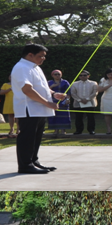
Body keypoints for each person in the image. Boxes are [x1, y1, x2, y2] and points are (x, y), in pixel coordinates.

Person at [11, 44, 66, 174]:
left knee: (36, 136)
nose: (43, 59)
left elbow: (41, 86)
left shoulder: (35, 67)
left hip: (39, 108)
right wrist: (48, 102)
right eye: (40, 56)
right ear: (30, 54)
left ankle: (33, 161)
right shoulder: (22, 67)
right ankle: (25, 165)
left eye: (44, 56)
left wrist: (53, 94)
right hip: (29, 108)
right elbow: (27, 90)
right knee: (27, 137)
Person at [70, 71, 98, 135]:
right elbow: (73, 93)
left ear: (88, 76)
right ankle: (79, 130)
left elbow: (95, 92)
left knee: (91, 117)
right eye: (81, 75)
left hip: (90, 102)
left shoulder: (93, 83)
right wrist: (80, 100)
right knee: (78, 118)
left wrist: (87, 99)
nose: (82, 76)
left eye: (84, 75)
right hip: (78, 103)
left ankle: (91, 130)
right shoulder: (75, 83)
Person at [47, 70, 71, 136]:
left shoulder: (65, 82)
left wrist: (68, 99)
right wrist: (52, 86)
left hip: (63, 101)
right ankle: (55, 130)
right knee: (54, 115)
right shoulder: (49, 82)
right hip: (53, 101)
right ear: (52, 75)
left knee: (63, 115)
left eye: (59, 74)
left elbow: (68, 91)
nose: (57, 75)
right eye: (56, 74)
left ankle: (63, 130)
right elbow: (46, 90)